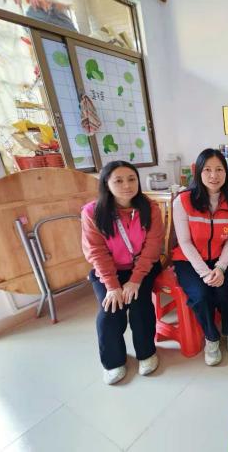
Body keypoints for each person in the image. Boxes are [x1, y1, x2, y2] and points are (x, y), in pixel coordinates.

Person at [81, 160, 164, 385]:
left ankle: (147, 353)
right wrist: (112, 285)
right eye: (118, 180)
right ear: (106, 184)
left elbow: (153, 247)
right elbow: (96, 252)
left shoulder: (150, 208)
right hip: (108, 271)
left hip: (142, 268)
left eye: (131, 179)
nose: (127, 185)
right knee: (110, 309)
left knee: (140, 305)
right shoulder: (92, 213)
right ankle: (113, 362)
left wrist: (135, 280)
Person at [172, 148, 228, 366]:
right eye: (207, 170)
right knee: (201, 295)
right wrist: (205, 273)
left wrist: (220, 268)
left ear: (226, 172)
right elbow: (184, 242)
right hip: (189, 260)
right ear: (199, 172)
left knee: (223, 292)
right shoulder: (183, 201)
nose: (214, 175)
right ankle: (211, 337)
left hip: (218, 258)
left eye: (219, 169)